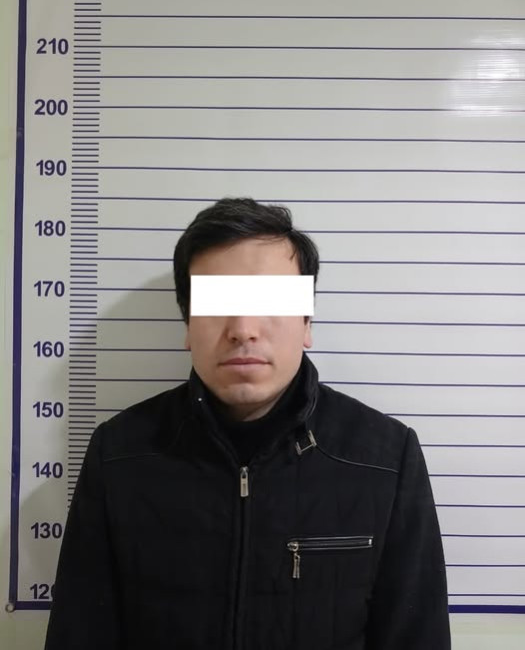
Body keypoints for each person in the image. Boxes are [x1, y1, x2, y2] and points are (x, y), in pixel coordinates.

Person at [44, 197, 451, 650]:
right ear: (187, 325)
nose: (243, 328)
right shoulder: (120, 455)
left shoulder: (386, 460)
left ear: (306, 323)